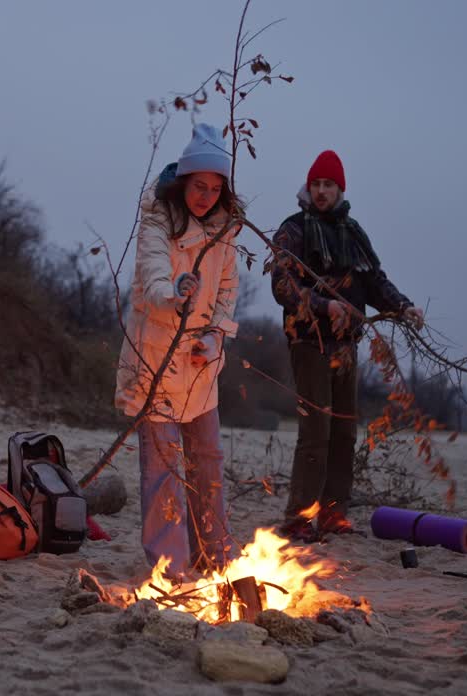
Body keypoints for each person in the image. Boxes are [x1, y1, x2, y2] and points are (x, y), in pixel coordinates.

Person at [269, 150, 423, 541]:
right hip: (308, 340)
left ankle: (334, 513)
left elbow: (374, 282)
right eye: (316, 184)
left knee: (344, 433)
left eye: (329, 185)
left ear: (340, 189)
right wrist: (325, 305)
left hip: (346, 346)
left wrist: (402, 306)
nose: (321, 192)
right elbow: (283, 286)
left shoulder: (353, 234)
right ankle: (298, 518)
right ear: (309, 187)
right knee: (316, 431)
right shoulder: (293, 230)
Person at [115, 122, 243, 579]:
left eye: (214, 188)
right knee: (164, 470)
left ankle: (216, 559)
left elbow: (228, 289)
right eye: (199, 185)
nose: (206, 196)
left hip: (201, 367)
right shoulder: (157, 221)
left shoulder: (225, 230)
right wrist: (175, 291)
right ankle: (172, 569)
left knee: (207, 463)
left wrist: (215, 336)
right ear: (183, 182)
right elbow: (151, 280)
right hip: (156, 363)